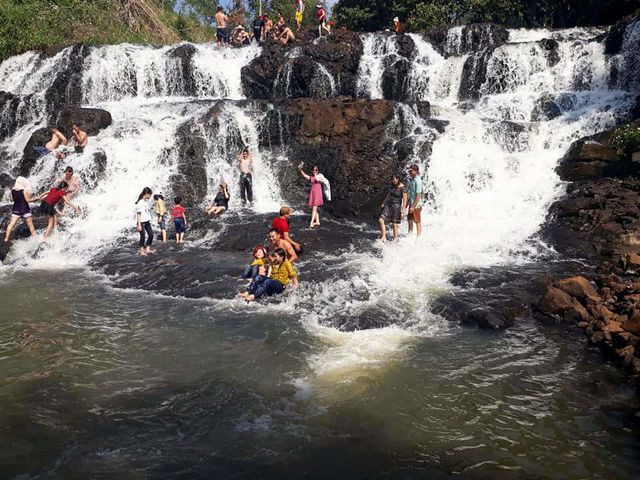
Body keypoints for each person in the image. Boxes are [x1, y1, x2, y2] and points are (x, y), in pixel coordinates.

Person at [3, 177, 46, 242]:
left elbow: (11, 200)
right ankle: (35, 239)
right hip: (24, 209)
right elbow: (28, 200)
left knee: (11, 224)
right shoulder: (24, 191)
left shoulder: (12, 191)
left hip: (16, 209)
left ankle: (6, 239)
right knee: (30, 225)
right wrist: (35, 199)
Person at [379, 174, 407, 242]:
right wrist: (383, 203)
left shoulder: (403, 188)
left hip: (396, 206)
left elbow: (405, 200)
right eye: (392, 179)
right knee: (381, 220)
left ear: (398, 179)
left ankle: (395, 239)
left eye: (394, 179)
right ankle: (383, 237)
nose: (392, 181)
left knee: (394, 224)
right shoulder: (393, 186)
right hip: (388, 205)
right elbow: (389, 194)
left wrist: (403, 211)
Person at [135, 187, 155, 256]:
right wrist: (139, 224)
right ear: (146, 194)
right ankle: (141, 251)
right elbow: (138, 214)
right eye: (150, 195)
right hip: (141, 222)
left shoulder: (146, 202)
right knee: (142, 236)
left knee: (151, 235)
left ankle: (147, 249)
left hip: (147, 221)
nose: (150, 196)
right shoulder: (140, 202)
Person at [406, 164, 424, 238]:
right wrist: (407, 203)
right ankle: (409, 234)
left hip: (416, 205)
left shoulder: (418, 180)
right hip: (411, 203)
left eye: (411, 171)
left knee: (417, 221)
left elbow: (418, 195)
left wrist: (413, 206)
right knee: (410, 220)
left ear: (416, 171)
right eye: (409, 170)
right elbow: (410, 193)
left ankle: (419, 237)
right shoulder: (412, 180)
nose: (409, 172)